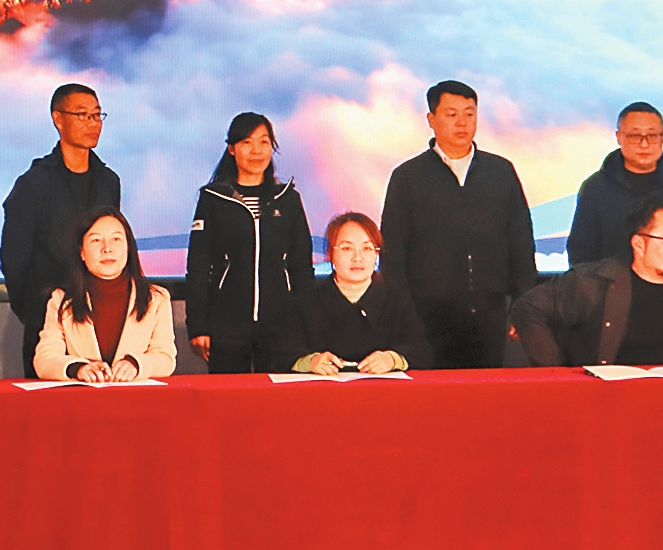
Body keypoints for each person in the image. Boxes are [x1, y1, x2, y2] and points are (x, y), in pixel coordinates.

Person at [379, 79, 539, 370]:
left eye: (469, 113)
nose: (462, 123)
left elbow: (520, 241)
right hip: (426, 315)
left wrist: (523, 304)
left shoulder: (500, 172)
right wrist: (399, 314)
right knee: (432, 394)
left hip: (490, 312)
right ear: (431, 119)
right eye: (451, 114)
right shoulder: (408, 177)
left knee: (486, 392)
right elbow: (394, 252)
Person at [512, 192, 663, 367]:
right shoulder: (592, 282)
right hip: (610, 398)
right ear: (639, 243)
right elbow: (528, 308)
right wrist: (558, 373)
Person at [1, 83, 122, 378]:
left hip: (101, 321)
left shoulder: (108, 181)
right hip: (48, 321)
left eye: (97, 115)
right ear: (58, 119)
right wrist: (35, 311)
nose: (93, 123)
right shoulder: (34, 183)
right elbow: (14, 258)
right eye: (82, 115)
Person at [183, 112, 317, 373]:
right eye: (247, 142)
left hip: (281, 325)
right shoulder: (213, 199)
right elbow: (198, 267)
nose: (256, 151)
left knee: (279, 394)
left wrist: (308, 325)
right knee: (229, 394)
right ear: (232, 149)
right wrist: (198, 326)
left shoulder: (287, 199)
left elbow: (302, 267)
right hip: (226, 325)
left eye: (264, 142)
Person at [564, 102, 663, 267]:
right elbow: (581, 252)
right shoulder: (596, 188)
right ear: (619, 137)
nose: (644, 144)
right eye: (635, 136)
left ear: (662, 138)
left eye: (652, 135)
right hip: (612, 282)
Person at [33, 208, 176, 381]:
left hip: (135, 394)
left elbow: (165, 358)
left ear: (128, 247)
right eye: (96, 240)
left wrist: (136, 364)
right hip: (83, 395)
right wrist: (77, 368)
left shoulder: (156, 298)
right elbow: (44, 359)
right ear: (81, 252)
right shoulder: (61, 299)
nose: (107, 249)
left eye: (116, 239)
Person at [289, 213, 434, 375]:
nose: (357, 258)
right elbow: (283, 351)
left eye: (367, 248)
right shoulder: (306, 303)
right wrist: (310, 362)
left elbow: (422, 350)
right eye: (347, 248)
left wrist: (392, 359)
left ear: (377, 254)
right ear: (330, 254)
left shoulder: (397, 301)